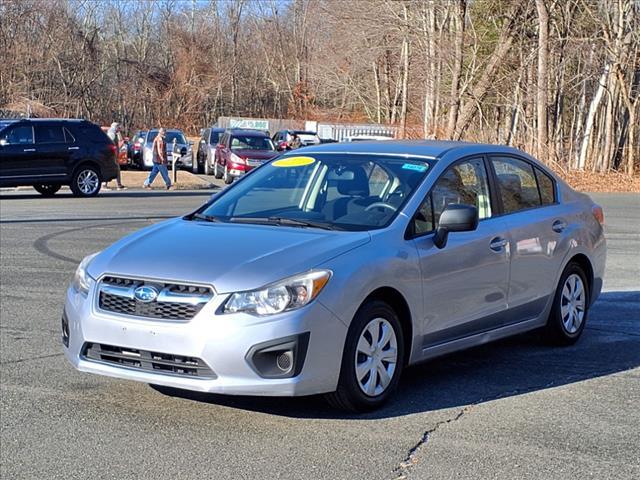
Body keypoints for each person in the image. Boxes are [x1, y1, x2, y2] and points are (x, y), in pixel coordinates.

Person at [104, 122, 126, 190]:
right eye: (118, 127)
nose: (119, 129)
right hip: (111, 155)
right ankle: (104, 185)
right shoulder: (111, 133)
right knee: (109, 168)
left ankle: (119, 184)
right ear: (115, 127)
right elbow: (111, 144)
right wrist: (120, 145)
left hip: (114, 155)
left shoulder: (114, 133)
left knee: (117, 169)